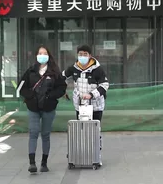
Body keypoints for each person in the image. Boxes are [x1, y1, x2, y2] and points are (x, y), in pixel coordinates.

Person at [18, 45, 67, 173]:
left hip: (48, 108)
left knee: (45, 134)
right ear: (36, 55)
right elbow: (21, 87)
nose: (42, 55)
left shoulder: (54, 72)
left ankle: (44, 163)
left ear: (49, 55)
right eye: (40, 53)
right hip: (33, 108)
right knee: (33, 133)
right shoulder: (30, 71)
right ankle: (32, 163)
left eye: (44, 53)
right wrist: (30, 96)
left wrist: (51, 97)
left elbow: (62, 88)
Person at [62, 44, 109, 164]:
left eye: (85, 54)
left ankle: (96, 157)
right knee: (81, 130)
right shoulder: (74, 68)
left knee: (95, 131)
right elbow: (62, 77)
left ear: (90, 55)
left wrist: (91, 94)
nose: (82, 57)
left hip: (96, 106)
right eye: (80, 54)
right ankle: (83, 155)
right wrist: (63, 90)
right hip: (80, 106)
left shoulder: (97, 69)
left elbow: (104, 85)